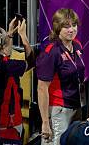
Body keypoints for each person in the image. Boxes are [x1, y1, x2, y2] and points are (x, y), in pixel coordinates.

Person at [0, 17, 35, 145]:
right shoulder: (7, 66)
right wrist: (23, 36)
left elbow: (4, 54)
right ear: (2, 48)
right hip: (6, 115)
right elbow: (31, 62)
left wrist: (9, 34)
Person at [36, 9, 85, 145]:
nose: (71, 30)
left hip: (77, 106)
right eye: (66, 26)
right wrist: (45, 122)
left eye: (74, 25)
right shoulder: (51, 52)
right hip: (59, 110)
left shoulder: (77, 45)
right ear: (58, 28)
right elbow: (41, 88)